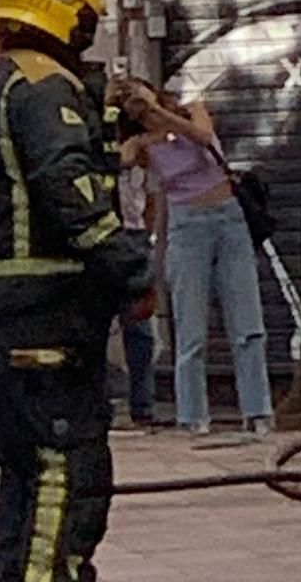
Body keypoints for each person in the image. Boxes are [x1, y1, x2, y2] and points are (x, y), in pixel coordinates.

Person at [0, 0, 154, 582]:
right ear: (66, 14)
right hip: (46, 315)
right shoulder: (45, 89)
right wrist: (133, 272)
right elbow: (71, 191)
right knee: (69, 468)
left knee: (22, 474)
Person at [116, 79, 272, 436]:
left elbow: (202, 137)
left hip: (228, 216)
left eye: (141, 96)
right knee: (190, 327)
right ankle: (193, 415)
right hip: (186, 226)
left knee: (247, 322)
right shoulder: (141, 145)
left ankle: (258, 410)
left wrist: (158, 114)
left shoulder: (192, 110)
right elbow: (121, 159)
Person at [108, 80, 157, 427]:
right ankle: (102, 402)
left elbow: (151, 196)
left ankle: (143, 405)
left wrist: (146, 233)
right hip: (105, 234)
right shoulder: (104, 142)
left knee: (140, 326)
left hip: (135, 234)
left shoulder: (149, 146)